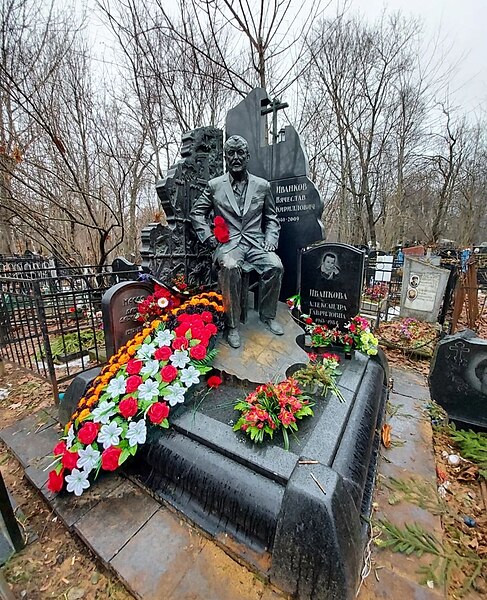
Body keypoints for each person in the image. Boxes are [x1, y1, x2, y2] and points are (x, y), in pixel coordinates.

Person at [190, 135, 284, 349]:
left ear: (247, 156)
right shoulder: (215, 186)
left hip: (256, 243)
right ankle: (232, 325)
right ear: (225, 157)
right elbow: (197, 213)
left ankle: (267, 316)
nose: (235, 157)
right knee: (230, 267)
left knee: (275, 266)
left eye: (240, 153)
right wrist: (210, 238)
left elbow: (272, 218)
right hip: (230, 244)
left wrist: (270, 238)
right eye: (231, 153)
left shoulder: (262, 186)